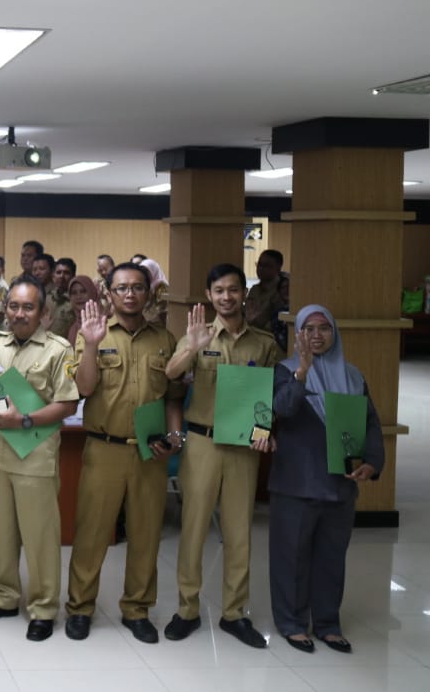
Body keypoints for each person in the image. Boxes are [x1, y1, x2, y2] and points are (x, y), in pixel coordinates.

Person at [162, 264, 284, 647]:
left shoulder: (263, 343)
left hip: (243, 447)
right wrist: (193, 347)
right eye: (219, 291)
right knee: (194, 530)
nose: (226, 297)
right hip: (202, 444)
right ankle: (187, 609)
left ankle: (235, 613)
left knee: (238, 533)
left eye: (233, 290)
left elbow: (272, 397)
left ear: (243, 294)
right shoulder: (197, 335)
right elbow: (170, 374)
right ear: (209, 295)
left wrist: (264, 432)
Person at [65, 262, 186, 643]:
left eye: (137, 287)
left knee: (146, 534)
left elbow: (172, 398)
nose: (130, 294)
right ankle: (80, 607)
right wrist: (89, 344)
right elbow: (83, 389)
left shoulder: (164, 339)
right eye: (121, 288)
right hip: (104, 449)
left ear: (149, 293)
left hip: (149, 452)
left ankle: (136, 609)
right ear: (109, 294)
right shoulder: (93, 334)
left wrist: (176, 437)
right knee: (91, 533)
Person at [0, 276, 79, 641]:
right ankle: (3, 597)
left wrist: (24, 419)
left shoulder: (58, 349)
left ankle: (44, 607)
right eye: (13, 306)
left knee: (40, 537)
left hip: (35, 454)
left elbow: (67, 404)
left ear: (43, 313)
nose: (18, 313)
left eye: (27, 307)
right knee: (1, 534)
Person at [270, 305, 384, 654]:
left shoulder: (352, 376)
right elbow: (281, 410)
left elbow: (370, 425)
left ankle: (327, 623)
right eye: (308, 328)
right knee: (292, 557)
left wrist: (372, 463)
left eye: (324, 328)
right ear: (298, 335)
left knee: (332, 558)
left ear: (335, 333)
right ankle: (291, 622)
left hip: (340, 484)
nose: (317, 335)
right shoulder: (285, 370)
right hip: (296, 483)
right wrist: (303, 373)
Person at [247, 250, 290, 347]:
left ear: (278, 268)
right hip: (252, 339)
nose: (260, 268)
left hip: (273, 343)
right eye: (259, 264)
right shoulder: (254, 289)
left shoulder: (283, 290)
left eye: (266, 265)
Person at [65, 275, 99, 344]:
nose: (78, 296)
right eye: (74, 293)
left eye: (83, 291)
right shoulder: (73, 329)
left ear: (92, 292)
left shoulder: (102, 324)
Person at [49, 257, 77, 339]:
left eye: (66, 273)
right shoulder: (47, 298)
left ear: (73, 276)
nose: (62, 276)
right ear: (53, 275)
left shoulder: (76, 301)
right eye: (58, 272)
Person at [139, 258, 170, 327]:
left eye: (146, 271)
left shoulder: (161, 287)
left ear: (153, 270)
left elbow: (163, 310)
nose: (144, 274)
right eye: (142, 271)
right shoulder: (145, 286)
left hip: (157, 325)